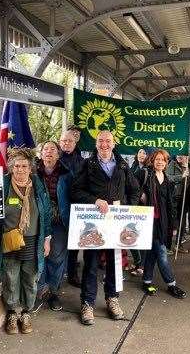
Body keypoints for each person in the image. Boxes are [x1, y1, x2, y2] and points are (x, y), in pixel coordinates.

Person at [71, 130, 140, 326]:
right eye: (100, 141)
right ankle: (87, 303)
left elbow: (135, 190)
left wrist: (126, 208)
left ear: (114, 143)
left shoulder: (123, 165)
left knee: (114, 263)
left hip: (116, 223)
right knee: (91, 264)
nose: (104, 144)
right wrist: (95, 200)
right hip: (95, 224)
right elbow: (75, 190)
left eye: (108, 141)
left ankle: (112, 299)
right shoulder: (87, 164)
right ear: (96, 144)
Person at [0, 148, 51, 335]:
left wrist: (47, 239)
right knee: (10, 276)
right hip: (9, 240)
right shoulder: (4, 184)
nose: (20, 169)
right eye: (16, 166)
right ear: (11, 167)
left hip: (33, 240)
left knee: (31, 278)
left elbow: (46, 213)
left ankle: (25, 312)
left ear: (30, 167)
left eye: (24, 166)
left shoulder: (38, 185)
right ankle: (12, 313)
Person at [137, 149, 187, 299]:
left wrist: (173, 225)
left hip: (163, 221)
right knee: (162, 254)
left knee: (153, 253)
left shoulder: (166, 178)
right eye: (157, 159)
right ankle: (171, 284)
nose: (160, 162)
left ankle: (146, 281)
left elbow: (170, 204)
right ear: (152, 160)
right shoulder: (145, 174)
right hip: (148, 221)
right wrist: (141, 195)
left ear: (166, 163)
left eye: (163, 160)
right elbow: (130, 187)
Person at [37, 141, 72, 311]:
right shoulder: (33, 173)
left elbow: (75, 194)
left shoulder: (67, 173)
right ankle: (41, 288)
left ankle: (53, 291)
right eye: (45, 149)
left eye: (52, 149)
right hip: (38, 220)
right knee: (39, 254)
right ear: (41, 153)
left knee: (56, 256)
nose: (49, 152)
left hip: (60, 220)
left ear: (58, 154)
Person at [59, 129, 84, 288]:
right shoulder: (55, 158)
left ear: (75, 143)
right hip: (58, 206)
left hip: (76, 205)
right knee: (58, 242)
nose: (66, 144)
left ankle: (72, 272)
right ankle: (58, 273)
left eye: (69, 141)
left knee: (74, 241)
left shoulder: (82, 161)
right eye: (63, 141)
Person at [165, 155, 190, 253]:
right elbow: (167, 178)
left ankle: (178, 244)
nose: (181, 157)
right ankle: (167, 246)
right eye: (179, 156)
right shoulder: (172, 165)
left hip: (186, 198)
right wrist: (181, 176)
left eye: (184, 156)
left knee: (182, 223)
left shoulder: (189, 166)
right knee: (172, 222)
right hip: (174, 197)